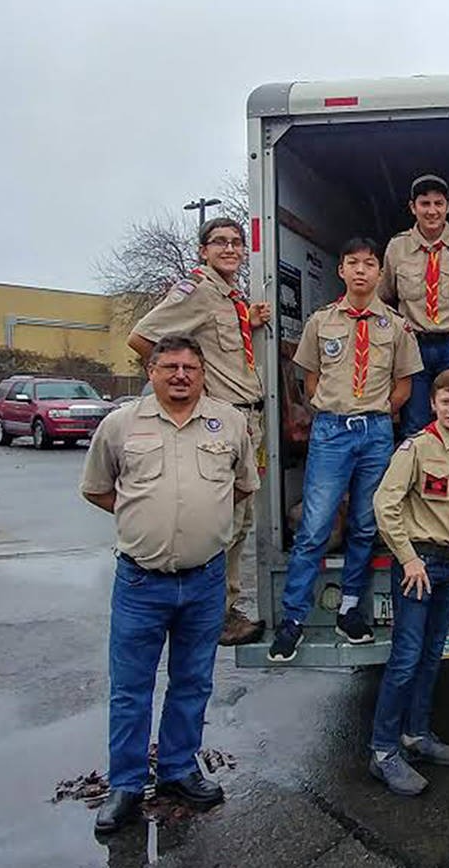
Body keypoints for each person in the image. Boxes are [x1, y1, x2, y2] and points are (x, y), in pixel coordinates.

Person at [80, 334, 258, 835]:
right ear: (151, 371)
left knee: (193, 682)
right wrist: (144, 518)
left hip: (204, 581)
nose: (180, 375)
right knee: (131, 689)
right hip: (141, 582)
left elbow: (244, 484)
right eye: (170, 366)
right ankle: (127, 786)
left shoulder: (230, 422)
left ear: (203, 374)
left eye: (190, 368)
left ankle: (179, 770)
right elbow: (97, 488)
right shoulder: (120, 425)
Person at [268, 238, 424, 662]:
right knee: (315, 525)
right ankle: (294, 618)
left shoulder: (395, 326)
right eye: (352, 263)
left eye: (369, 264)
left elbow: (404, 386)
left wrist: (372, 413)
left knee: (364, 523)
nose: (360, 271)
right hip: (331, 432)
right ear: (341, 271)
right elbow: (311, 383)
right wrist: (340, 411)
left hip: (374, 432)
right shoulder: (322, 322)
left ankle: (351, 607)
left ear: (379, 273)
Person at [128, 217, 272, 647]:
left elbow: (221, 341)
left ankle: (223, 607)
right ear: (203, 251)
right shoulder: (195, 291)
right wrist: (191, 393)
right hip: (220, 422)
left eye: (237, 243)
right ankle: (215, 613)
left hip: (249, 421)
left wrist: (249, 319)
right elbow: (143, 338)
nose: (230, 249)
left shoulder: (228, 298)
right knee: (219, 520)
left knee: (241, 519)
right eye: (220, 242)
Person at [367, 368, 449, 795]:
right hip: (418, 566)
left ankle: (416, 735)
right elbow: (385, 504)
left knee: (433, 655)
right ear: (434, 403)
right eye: (446, 401)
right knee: (406, 657)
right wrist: (407, 559)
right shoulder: (415, 449)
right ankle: (383, 751)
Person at [377, 174, 449, 435]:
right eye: (425, 204)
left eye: (438, 203)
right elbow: (382, 298)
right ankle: (419, 476)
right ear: (413, 207)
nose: (432, 211)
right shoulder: (397, 247)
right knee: (415, 423)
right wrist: (394, 340)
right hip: (413, 347)